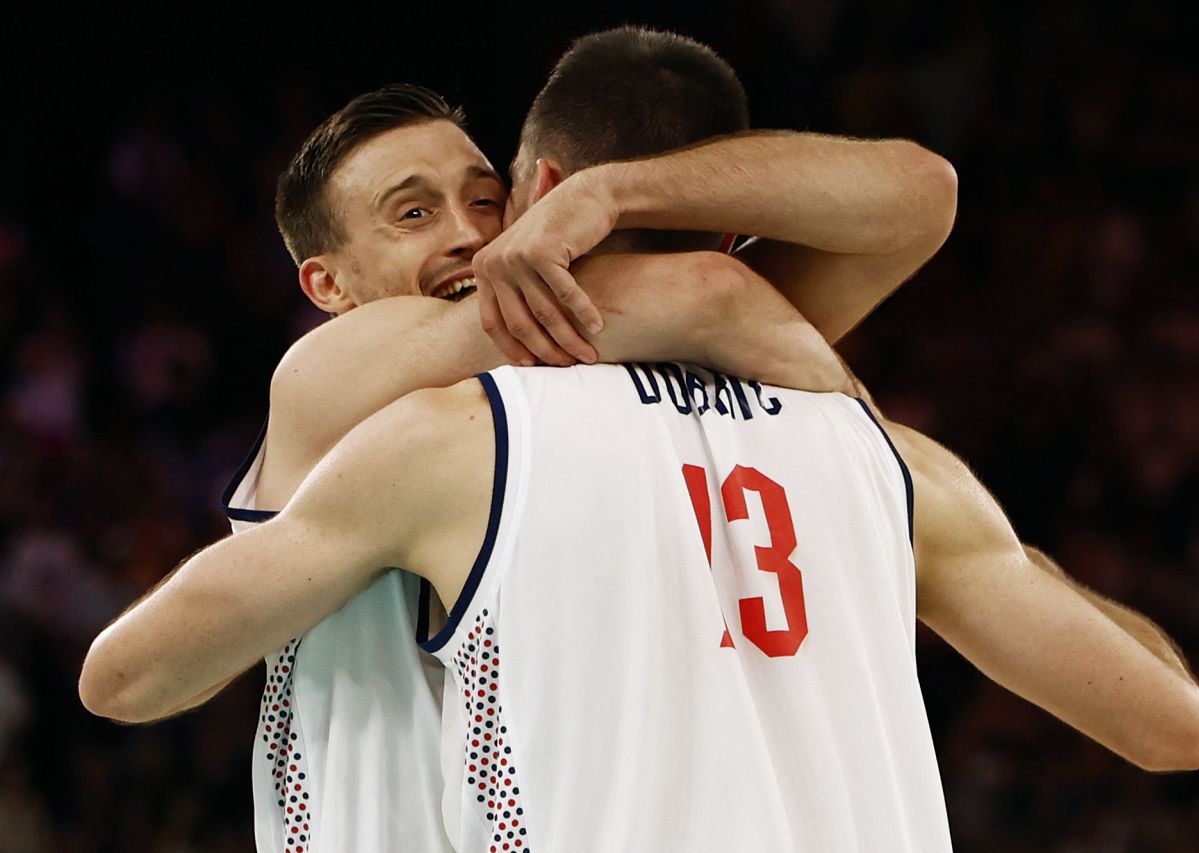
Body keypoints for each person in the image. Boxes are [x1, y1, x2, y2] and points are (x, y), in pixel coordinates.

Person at [83, 28, 959, 852]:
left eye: (483, 200)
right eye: (413, 214)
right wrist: (789, 337)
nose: (469, 233)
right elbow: (705, 292)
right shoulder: (329, 371)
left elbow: (918, 195)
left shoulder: (549, 389)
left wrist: (613, 191)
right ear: (328, 283)